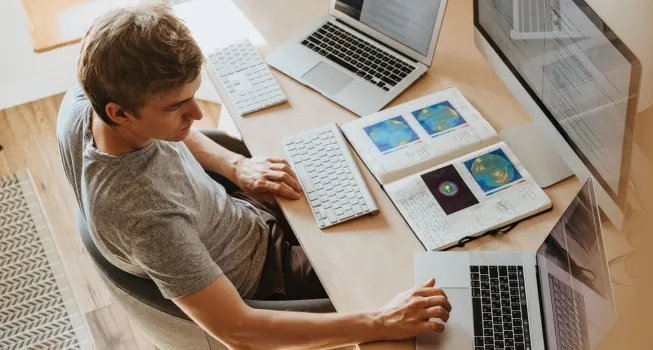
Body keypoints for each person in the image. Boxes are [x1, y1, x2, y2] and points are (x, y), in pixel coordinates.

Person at [57, 3, 450, 349]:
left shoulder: (86, 100)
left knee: (374, 187)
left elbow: (173, 130)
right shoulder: (147, 220)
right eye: (177, 107)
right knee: (416, 277)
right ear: (119, 113)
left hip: (239, 216)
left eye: (193, 97)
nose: (197, 115)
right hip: (268, 279)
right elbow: (240, 332)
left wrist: (235, 166)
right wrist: (380, 322)